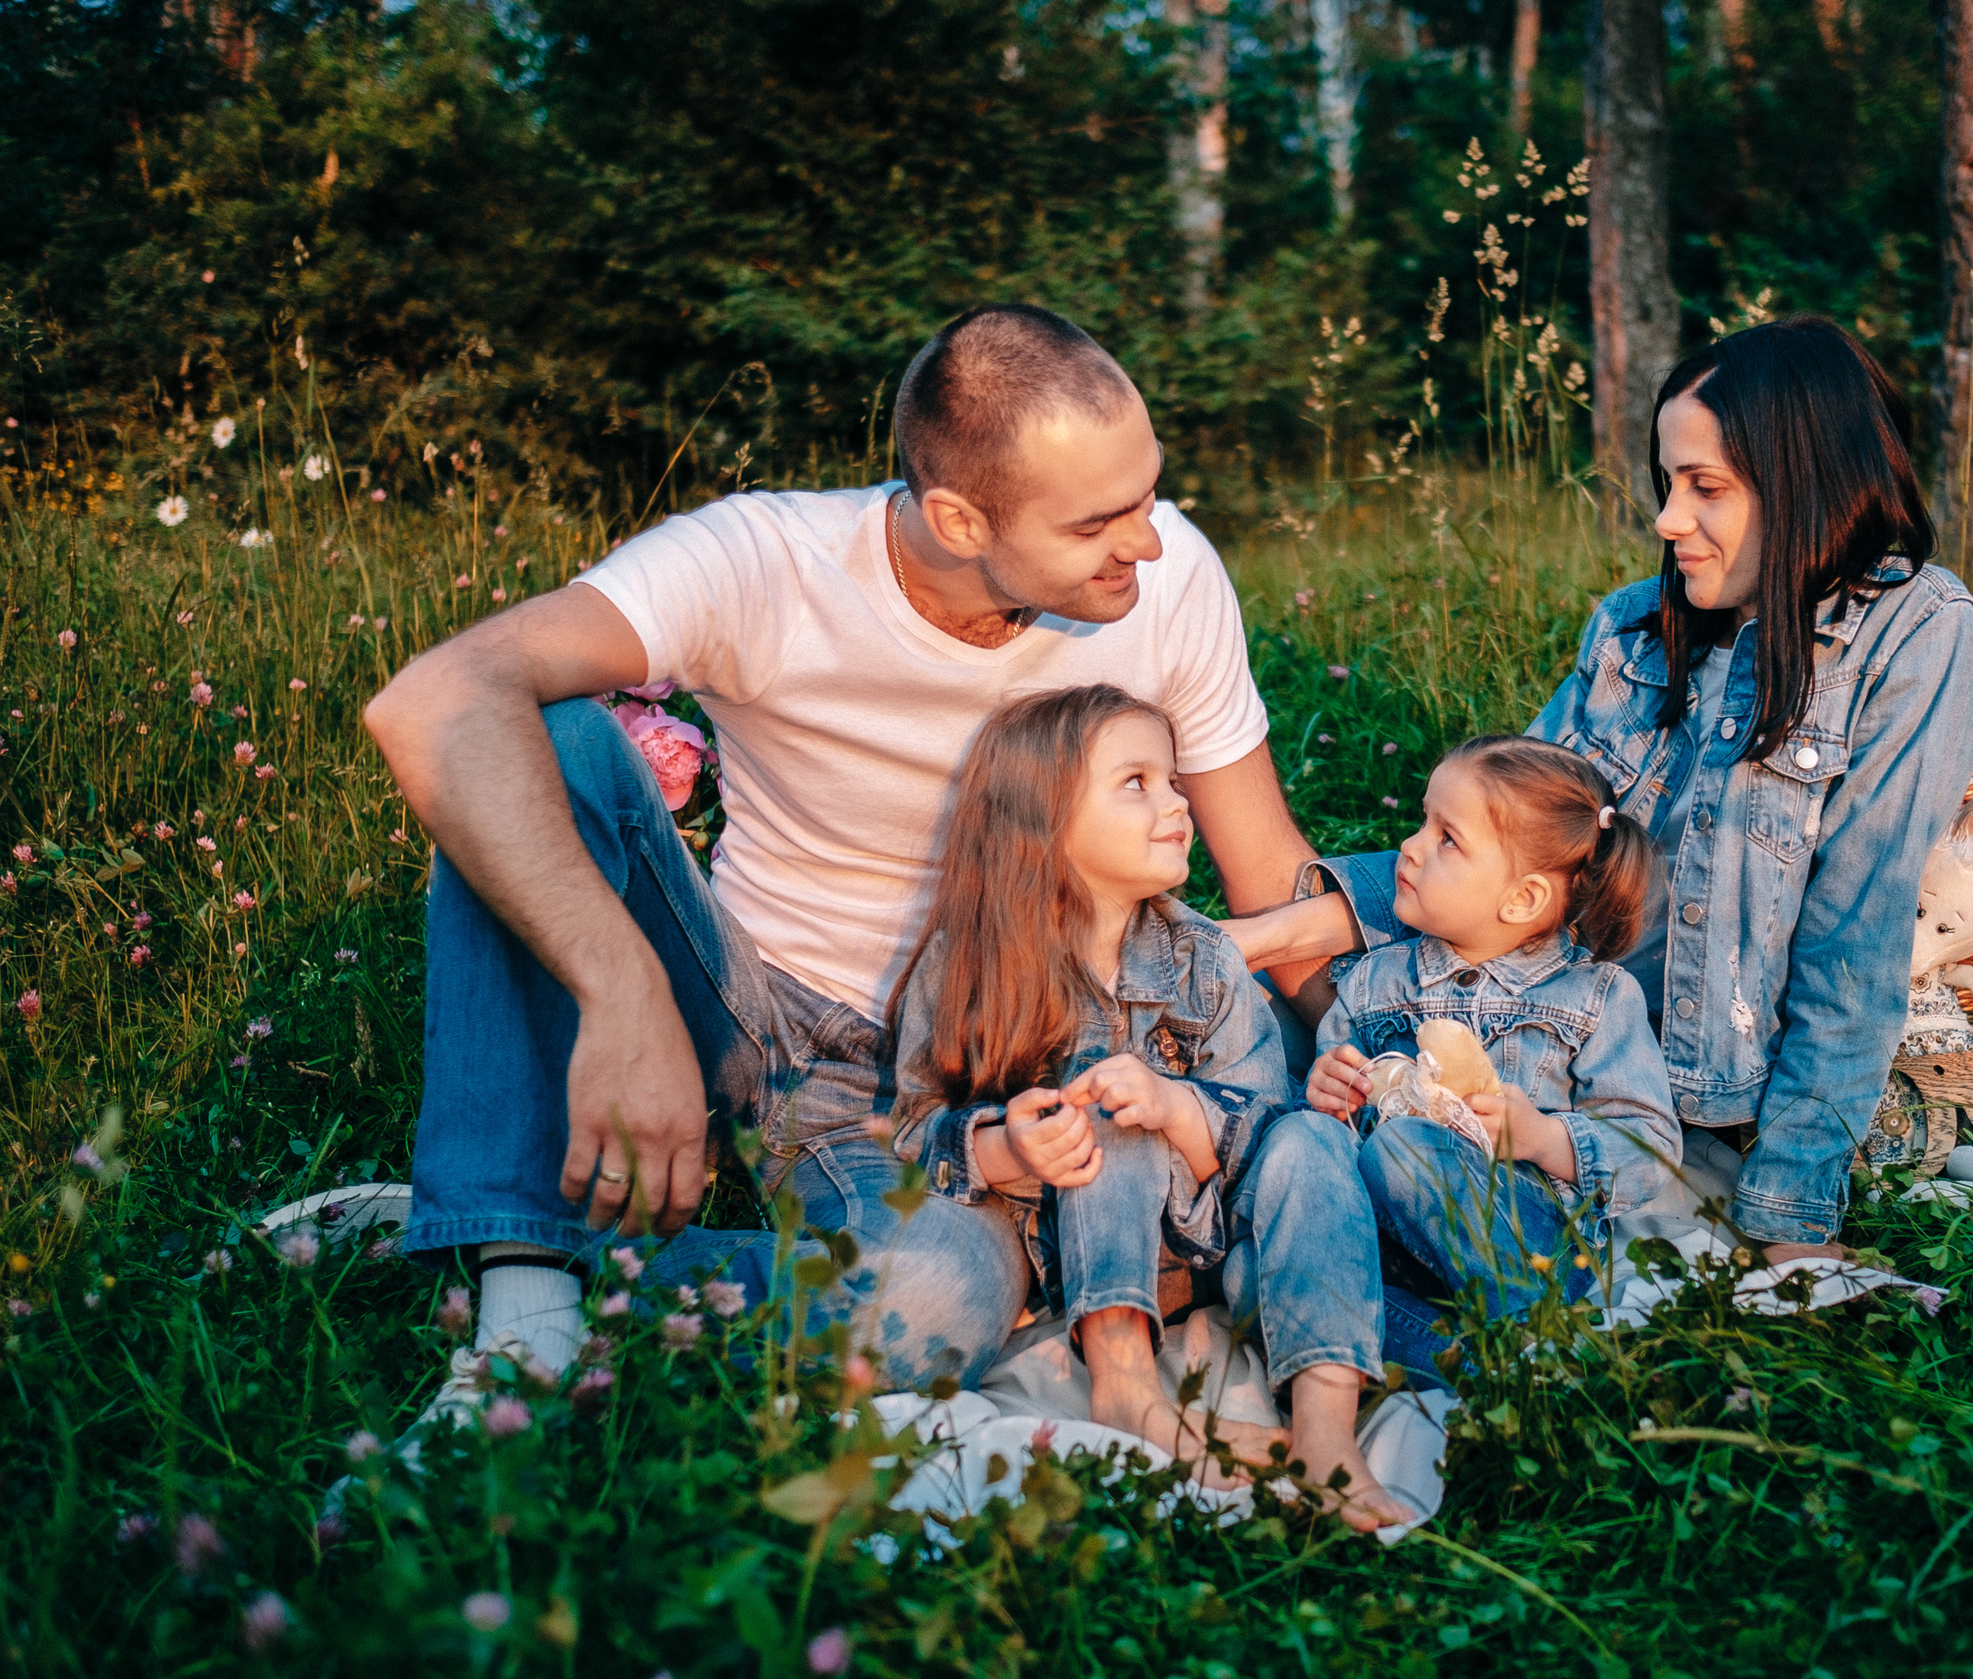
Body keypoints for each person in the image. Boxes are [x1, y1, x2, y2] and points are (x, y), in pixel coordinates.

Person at [364, 303, 1332, 1436]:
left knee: (933, 1311)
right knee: (552, 733)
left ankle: (485, 1238)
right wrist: (620, 992)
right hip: (753, 1016)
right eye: (1097, 524)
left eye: (1148, 495)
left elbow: (1272, 876)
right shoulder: (764, 560)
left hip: (995, 1076)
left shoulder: (1168, 584)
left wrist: (1381, 1065)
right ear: (958, 517)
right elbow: (436, 699)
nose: (1149, 544)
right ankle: (521, 1320)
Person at [1233, 314, 1973, 1267]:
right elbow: (1503, 849)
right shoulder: (1633, 631)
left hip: (1675, 1127)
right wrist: (1265, 937)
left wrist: (1790, 1230)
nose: (1668, 520)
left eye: (1705, 487)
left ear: (1804, 483)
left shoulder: (1913, 630)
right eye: (1669, 483)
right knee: (1244, 1041)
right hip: (1525, 1059)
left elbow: (1854, 941)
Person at [890, 685, 1410, 1528]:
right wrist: (1010, 1150)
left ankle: (1324, 1426)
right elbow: (914, 1133)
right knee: (1104, 1093)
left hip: (1222, 1253)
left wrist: (1176, 1108)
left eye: (1175, 783)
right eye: (1138, 783)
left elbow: (1266, 1146)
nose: (1178, 804)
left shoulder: (1202, 959)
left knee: (1313, 1135)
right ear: (1044, 817)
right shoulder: (969, 963)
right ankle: (1127, 1385)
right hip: (1078, 1262)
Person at [1299, 737, 1677, 1382]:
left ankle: (1526, 1319)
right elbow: (1332, 1117)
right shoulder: (1373, 982)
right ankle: (1502, 1362)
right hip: (1398, 1247)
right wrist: (1327, 1089)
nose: (1411, 846)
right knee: (1270, 1281)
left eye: (1447, 837)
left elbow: (1652, 1147)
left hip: (1532, 1241)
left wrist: (1544, 1138)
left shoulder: (1595, 996)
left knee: (1406, 1151)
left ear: (1522, 899)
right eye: (1423, 820)